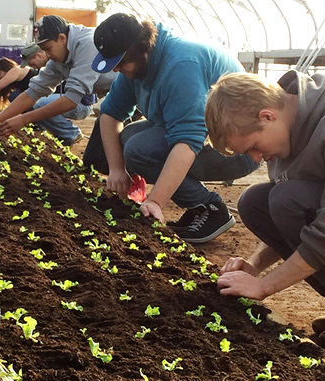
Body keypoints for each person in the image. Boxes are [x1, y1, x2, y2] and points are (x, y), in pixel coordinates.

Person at [204, 70, 325, 355]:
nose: (256, 159)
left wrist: (263, 287)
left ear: (267, 116)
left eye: (253, 147)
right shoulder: (290, 131)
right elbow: (297, 218)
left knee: (285, 199)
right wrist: (254, 266)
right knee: (255, 202)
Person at [83, 13, 259, 244]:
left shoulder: (180, 65)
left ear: (142, 47)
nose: (116, 70)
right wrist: (116, 170)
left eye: (120, 62)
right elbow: (109, 115)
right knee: (130, 136)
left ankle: (210, 209)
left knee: (138, 150)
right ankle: (197, 207)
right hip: (205, 139)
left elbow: (187, 141)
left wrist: (155, 202)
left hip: (239, 148)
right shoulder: (138, 63)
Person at [0, 15, 117, 146]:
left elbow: (71, 101)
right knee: (95, 158)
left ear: (62, 38)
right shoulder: (58, 58)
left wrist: (23, 119)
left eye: (48, 49)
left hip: (129, 91)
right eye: (43, 50)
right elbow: (33, 92)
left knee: (117, 151)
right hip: (113, 97)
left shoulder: (87, 44)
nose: (47, 55)